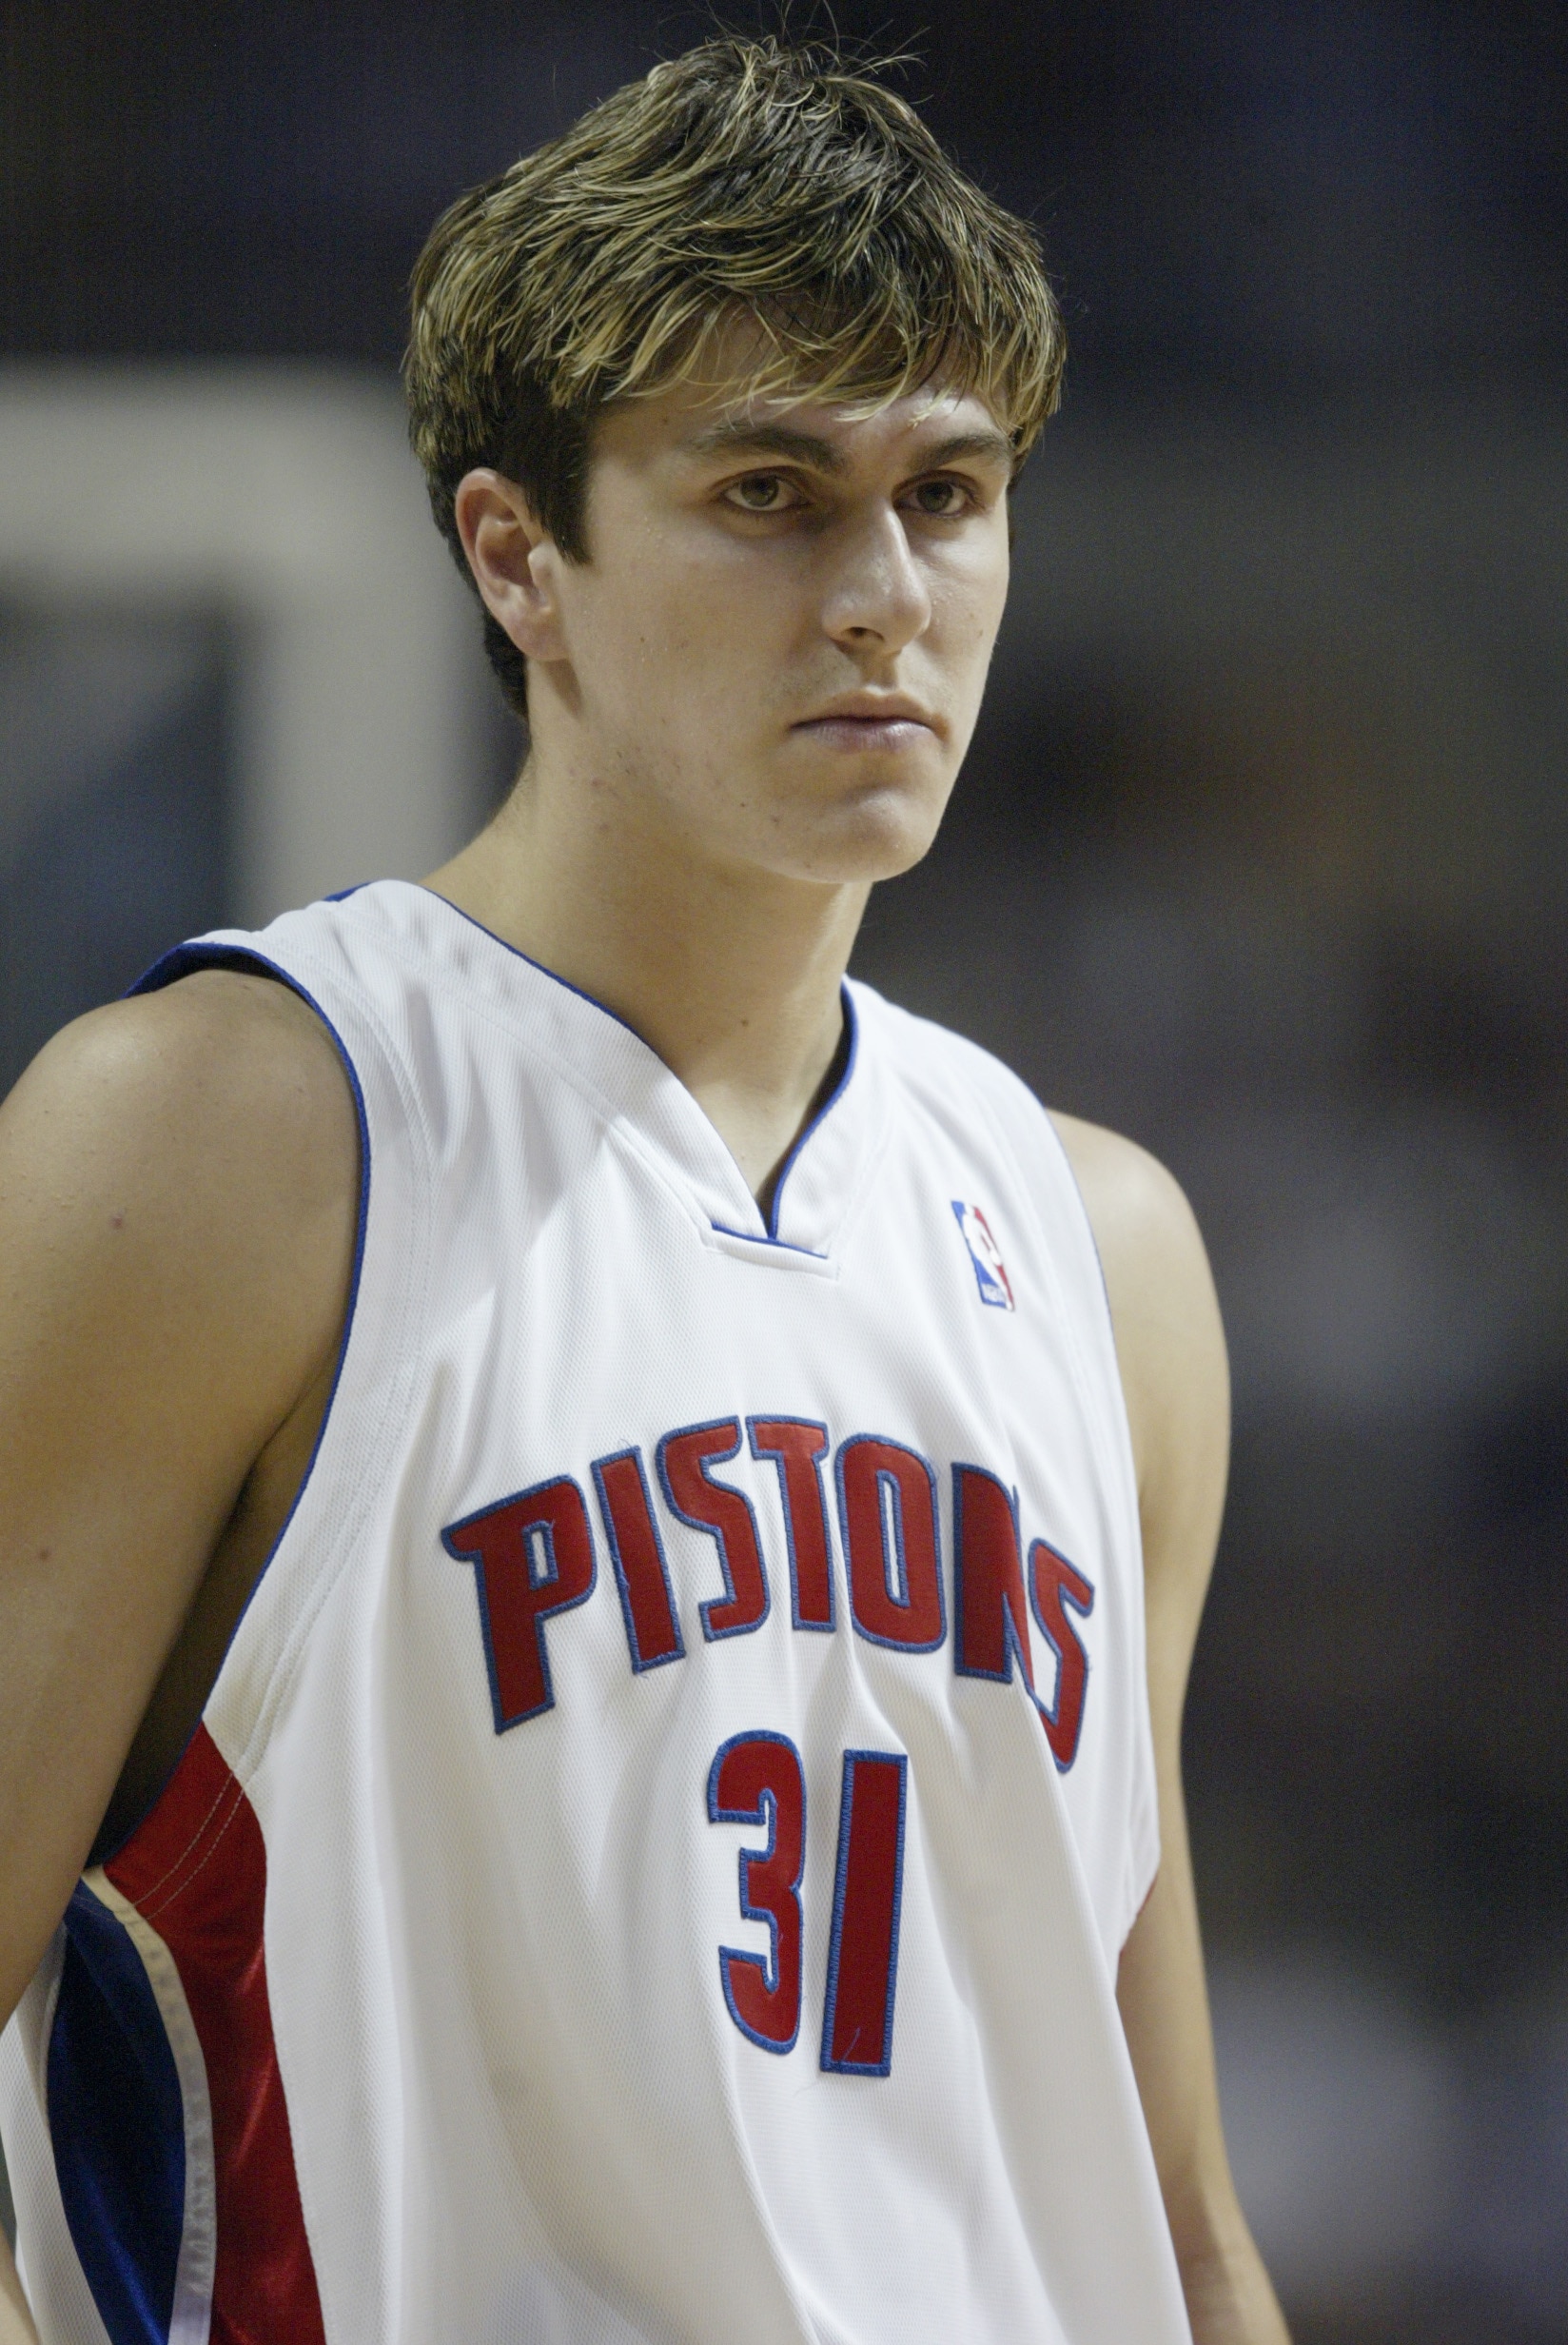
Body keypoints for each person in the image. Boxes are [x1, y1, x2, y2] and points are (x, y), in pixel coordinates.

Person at [0, 37, 1289, 2345]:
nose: (880, 591)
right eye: (769, 492)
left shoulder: (1100, 1250)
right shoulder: (224, 1139)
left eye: (947, 493)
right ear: (520, 556)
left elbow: (1168, 2219)